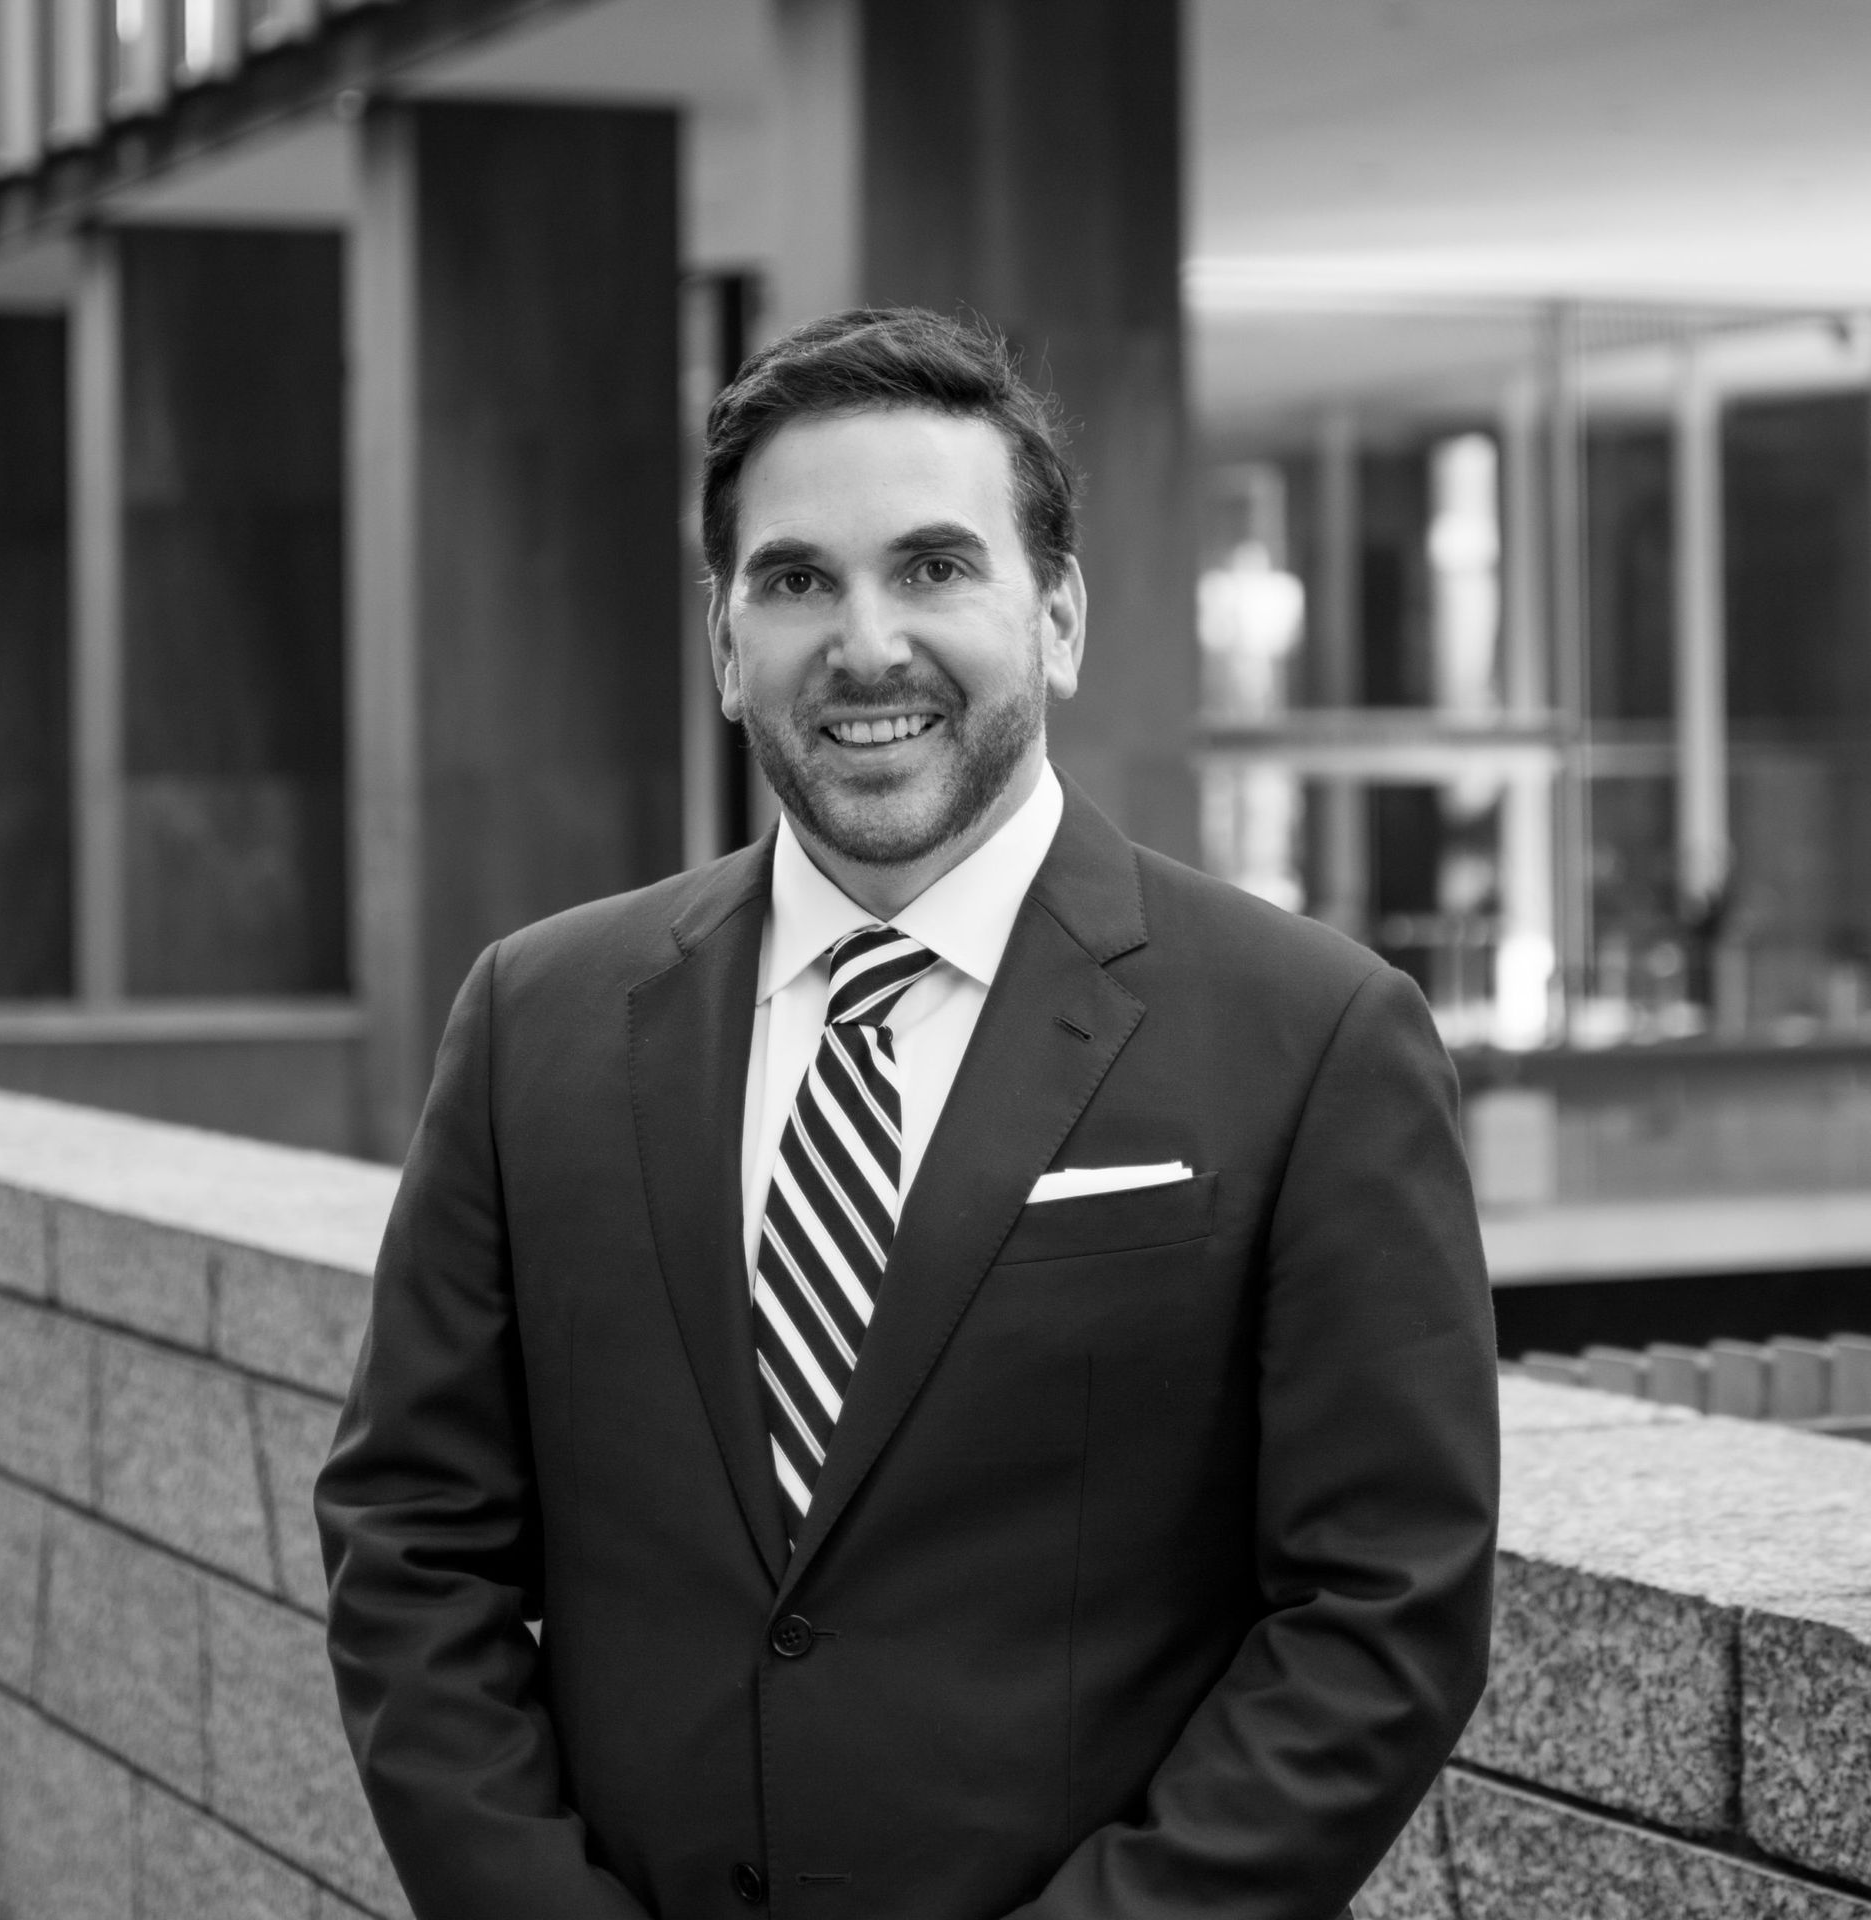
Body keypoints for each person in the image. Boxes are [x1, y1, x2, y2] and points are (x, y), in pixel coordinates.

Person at [316, 307, 1498, 1920]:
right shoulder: (536, 1015)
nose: (865, 643)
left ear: (1060, 618)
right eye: (797, 580)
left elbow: (1383, 1609)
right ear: (728, 645)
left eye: (936, 567)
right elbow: (412, 1544)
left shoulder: (1316, 1035)